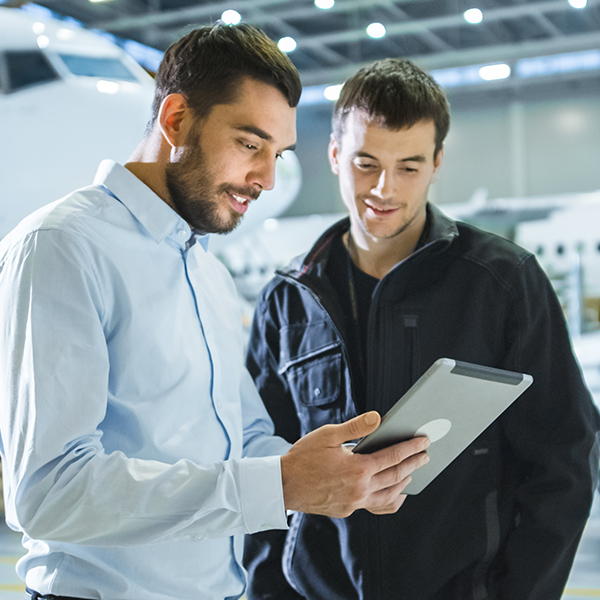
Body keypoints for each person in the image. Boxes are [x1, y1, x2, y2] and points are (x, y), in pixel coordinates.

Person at [0, 26, 432, 600]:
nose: (266, 180)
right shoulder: (63, 246)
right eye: (250, 145)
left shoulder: (206, 271)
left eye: (276, 155)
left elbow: (245, 440)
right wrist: (278, 485)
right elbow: (49, 492)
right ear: (176, 120)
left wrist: (339, 475)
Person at [243, 58, 600, 600]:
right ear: (335, 155)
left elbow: (564, 461)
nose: (384, 189)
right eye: (366, 163)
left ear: (436, 164)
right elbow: (260, 464)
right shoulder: (288, 299)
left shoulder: (502, 283)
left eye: (408, 166)